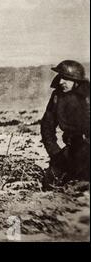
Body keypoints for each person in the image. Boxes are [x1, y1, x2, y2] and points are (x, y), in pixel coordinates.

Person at [41, 60, 90, 189]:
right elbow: (47, 126)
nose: (61, 81)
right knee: (49, 182)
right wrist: (55, 153)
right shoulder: (57, 97)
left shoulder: (88, 97)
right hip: (72, 148)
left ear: (77, 81)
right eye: (60, 77)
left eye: (66, 78)